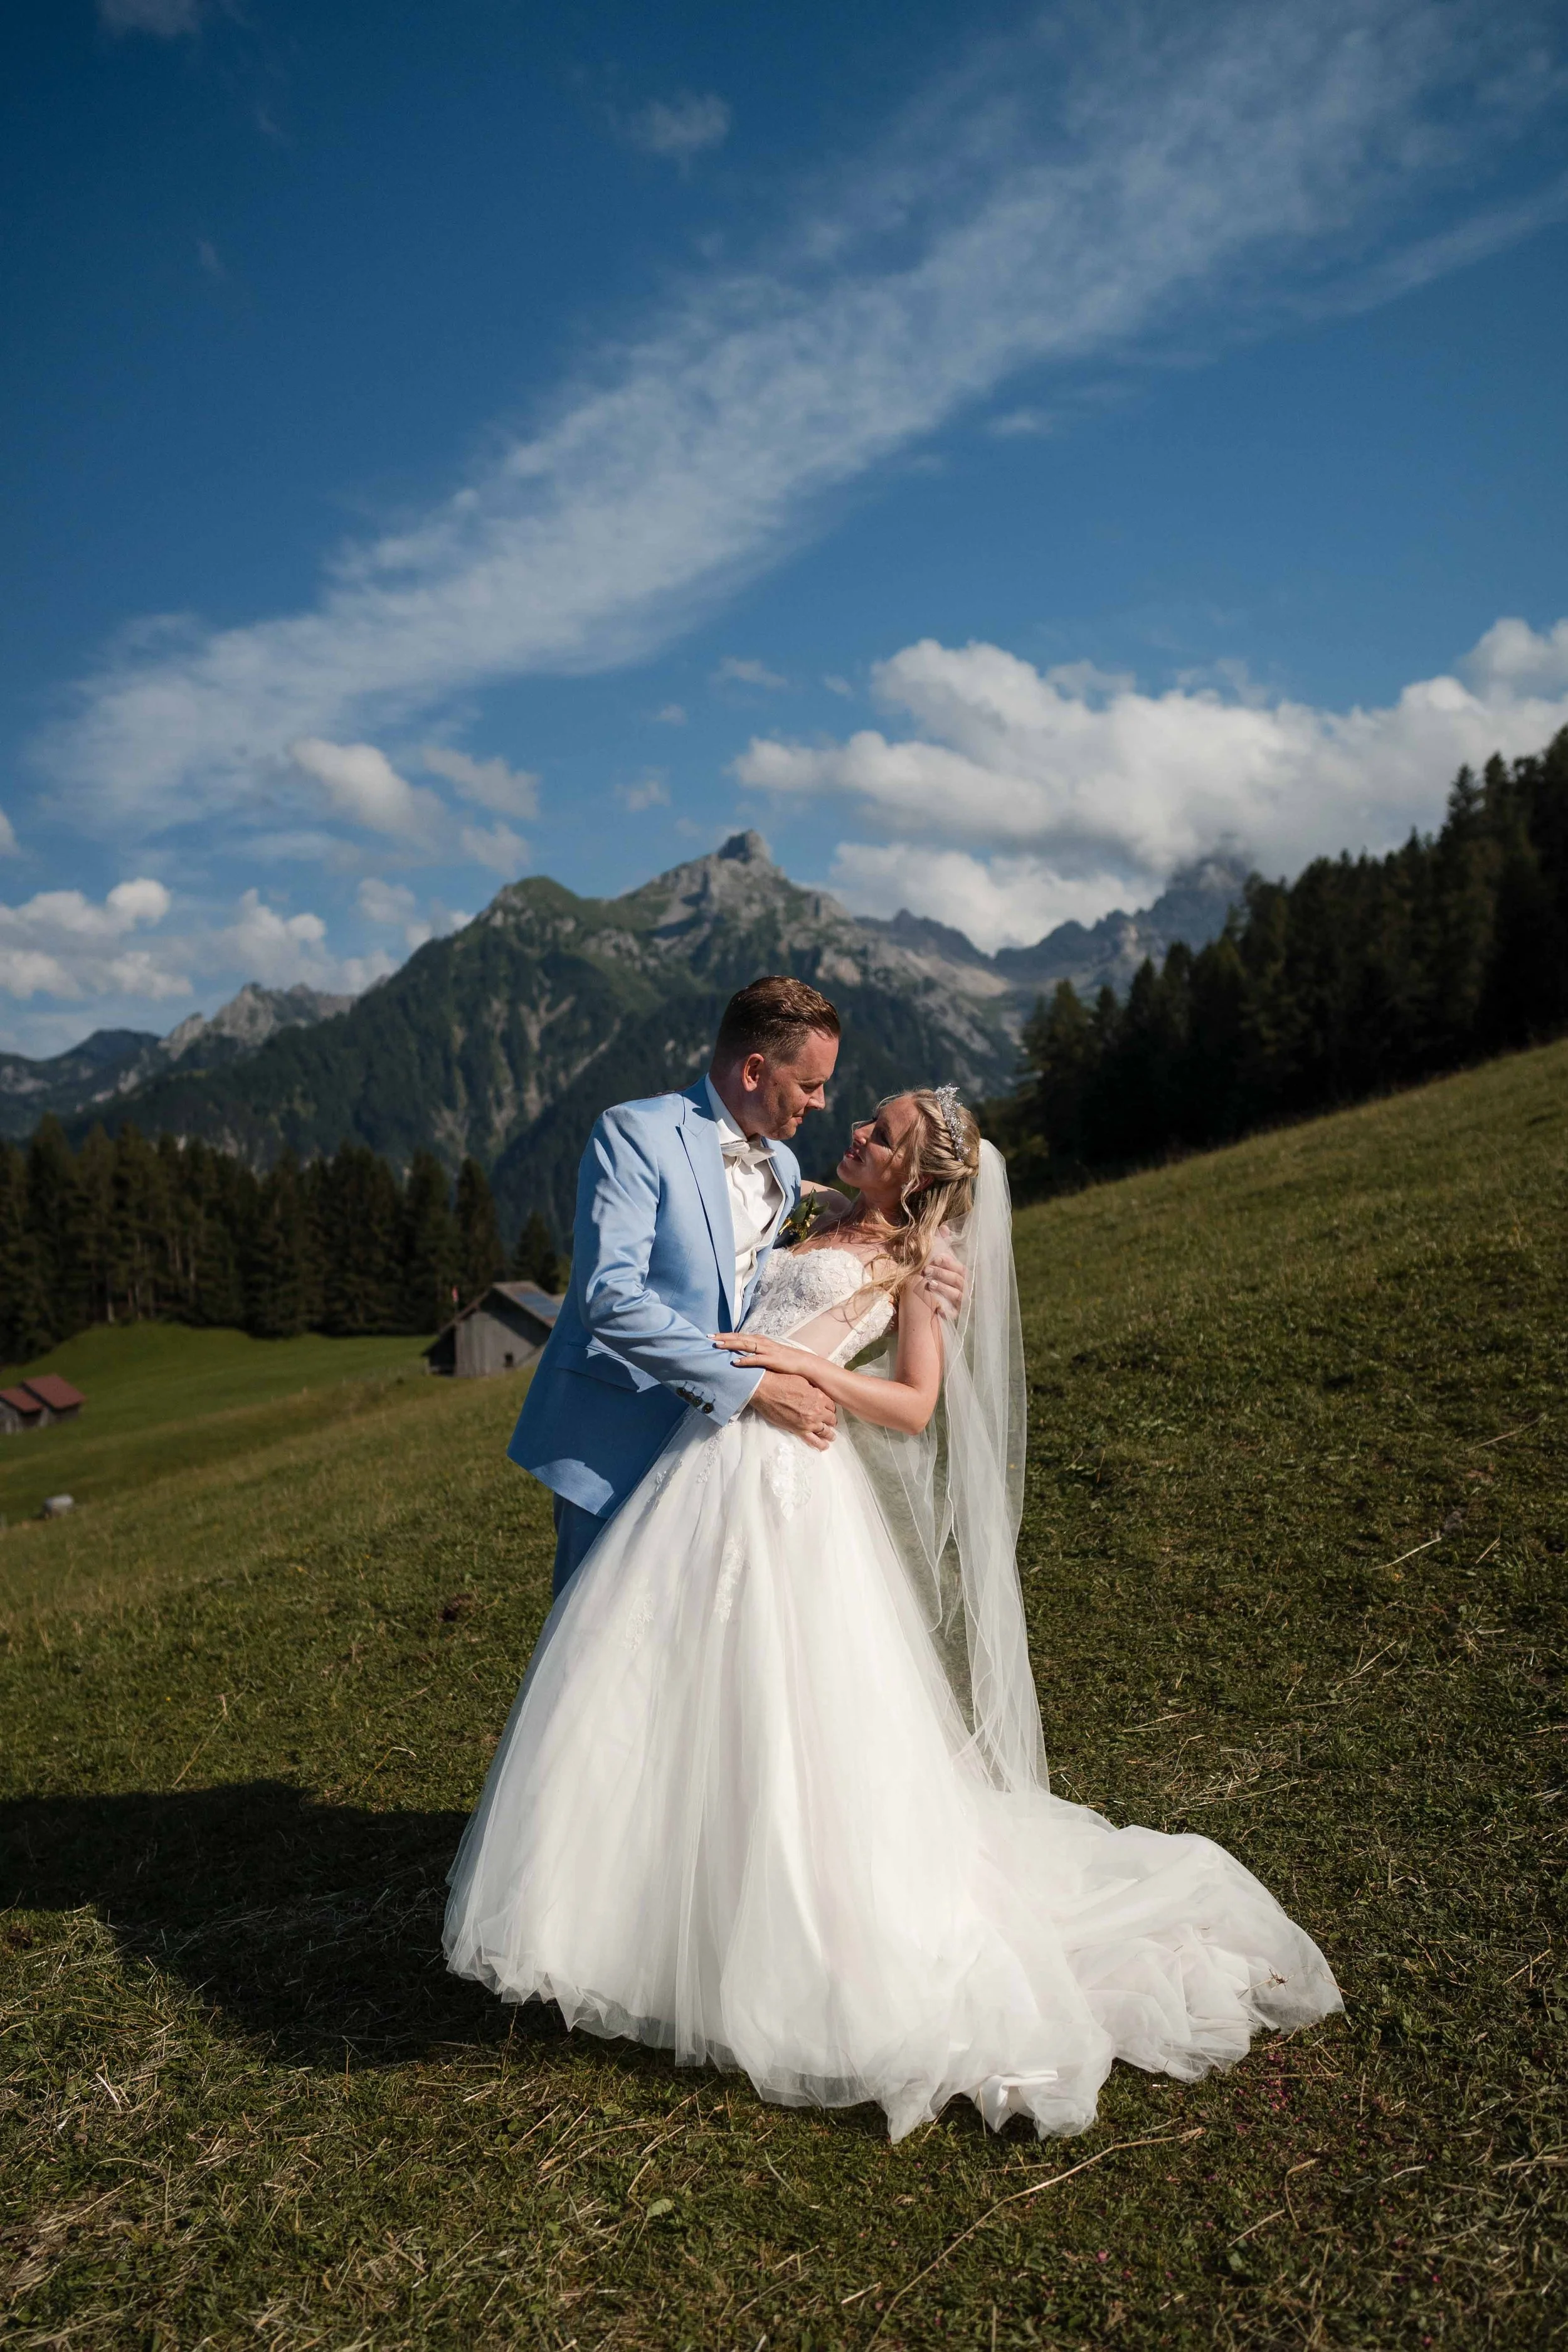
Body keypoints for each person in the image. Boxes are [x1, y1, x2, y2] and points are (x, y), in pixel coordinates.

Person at [447, 1080, 1342, 2143]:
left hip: (783, 1474)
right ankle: (635, 1922)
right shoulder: (809, 1201)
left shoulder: (923, 1269)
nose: (857, 1132)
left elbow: (914, 1404)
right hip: (701, 1464)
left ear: (917, 1173)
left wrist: (798, 1360)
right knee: (656, 1679)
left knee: (783, 1710)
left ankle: (776, 1939)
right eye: (863, 1116)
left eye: (882, 1132)